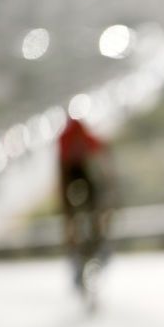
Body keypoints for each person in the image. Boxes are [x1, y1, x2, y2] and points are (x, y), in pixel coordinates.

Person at [56, 114, 114, 288]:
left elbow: (100, 153)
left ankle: (81, 243)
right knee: (87, 209)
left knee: (80, 211)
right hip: (71, 173)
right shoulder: (70, 136)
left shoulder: (74, 135)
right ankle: (78, 248)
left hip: (77, 172)